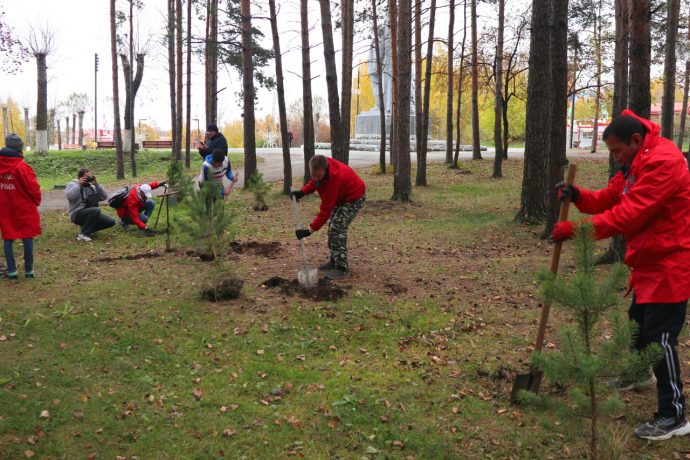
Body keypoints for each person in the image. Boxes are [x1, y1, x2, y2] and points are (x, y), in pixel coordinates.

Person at [553, 110, 690, 441]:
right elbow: (613, 197)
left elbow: (628, 215)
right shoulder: (636, 163)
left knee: (661, 339)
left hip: (671, 262)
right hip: (648, 260)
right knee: (637, 326)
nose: (614, 158)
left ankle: (674, 415)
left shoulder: (663, 163)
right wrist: (580, 197)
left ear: (636, 140)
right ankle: (638, 373)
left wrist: (576, 231)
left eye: (616, 151)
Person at [290, 154, 366, 280]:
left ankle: (342, 267)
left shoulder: (335, 179)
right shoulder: (321, 167)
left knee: (337, 228)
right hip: (341, 197)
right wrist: (303, 192)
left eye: (318, 175)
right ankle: (334, 260)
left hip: (354, 198)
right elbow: (315, 182)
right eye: (313, 175)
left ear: (325, 170)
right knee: (332, 228)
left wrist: (308, 230)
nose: (315, 178)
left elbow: (325, 211)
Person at [0, 134, 41, 280]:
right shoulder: (22, 167)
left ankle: (12, 272)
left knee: (8, 237)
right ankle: (29, 271)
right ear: (19, 148)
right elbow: (33, 188)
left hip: (4, 208)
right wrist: (37, 201)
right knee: (27, 236)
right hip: (24, 208)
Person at [65, 168, 115, 241]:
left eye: (90, 177)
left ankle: (85, 230)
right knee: (96, 210)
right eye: (86, 177)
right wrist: (79, 184)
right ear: (80, 177)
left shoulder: (91, 186)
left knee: (111, 222)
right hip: (77, 214)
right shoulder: (73, 185)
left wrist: (97, 185)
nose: (89, 179)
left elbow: (104, 197)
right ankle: (84, 234)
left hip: (92, 212)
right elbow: (70, 197)